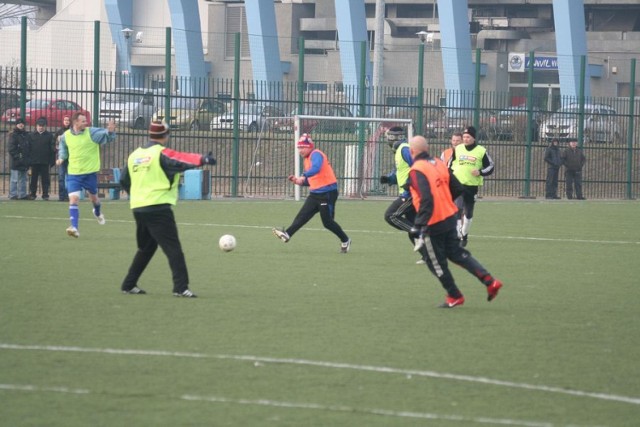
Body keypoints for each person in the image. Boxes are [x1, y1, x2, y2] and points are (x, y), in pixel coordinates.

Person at [119, 121, 217, 297]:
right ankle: (180, 288)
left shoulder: (135, 155)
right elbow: (180, 160)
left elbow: (124, 180)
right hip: (158, 207)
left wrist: (137, 194)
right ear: (166, 135)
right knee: (173, 249)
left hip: (139, 207)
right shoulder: (160, 153)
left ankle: (128, 284)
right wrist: (203, 159)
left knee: (146, 248)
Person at [408, 135, 503, 308]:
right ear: (427, 149)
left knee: (434, 261)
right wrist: (444, 202)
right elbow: (457, 188)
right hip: (450, 217)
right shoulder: (438, 163)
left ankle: (454, 295)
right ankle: (489, 281)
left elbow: (426, 199)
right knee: (456, 253)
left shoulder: (417, 170)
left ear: (412, 151)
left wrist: (419, 225)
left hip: (433, 222)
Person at [272, 133, 351, 253]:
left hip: (327, 193)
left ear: (310, 147)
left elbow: (316, 168)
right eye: (299, 148)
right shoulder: (307, 159)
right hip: (315, 194)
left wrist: (303, 176)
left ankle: (345, 240)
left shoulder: (316, 154)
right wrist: (299, 182)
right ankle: (287, 234)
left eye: (303, 147)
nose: (300, 150)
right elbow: (312, 179)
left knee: (328, 222)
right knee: (302, 216)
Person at [56, 112, 116, 238]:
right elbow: (63, 148)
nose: (86, 123)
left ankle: (97, 212)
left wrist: (110, 132)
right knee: (74, 199)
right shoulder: (65, 136)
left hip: (89, 174)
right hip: (74, 173)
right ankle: (74, 228)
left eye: (85, 120)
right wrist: (61, 158)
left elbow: (107, 136)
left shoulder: (91, 132)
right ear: (75, 122)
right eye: (83, 121)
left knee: (93, 198)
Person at [448, 126, 495, 247]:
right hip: (457, 184)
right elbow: (449, 165)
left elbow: (490, 167)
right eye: (464, 137)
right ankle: (458, 235)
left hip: (472, 186)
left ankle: (464, 234)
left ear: (473, 138)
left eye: (468, 137)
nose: (465, 139)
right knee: (456, 209)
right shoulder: (458, 149)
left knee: (468, 213)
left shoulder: (481, 151)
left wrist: (480, 172)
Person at [380, 126, 422, 261]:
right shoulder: (400, 150)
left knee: (391, 215)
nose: (388, 140)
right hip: (410, 191)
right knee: (413, 226)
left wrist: (411, 184)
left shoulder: (404, 148)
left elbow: (418, 166)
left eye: (389, 137)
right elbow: (401, 171)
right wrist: (390, 179)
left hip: (411, 192)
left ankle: (421, 235)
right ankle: (430, 256)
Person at [441, 131, 464, 238]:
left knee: (459, 208)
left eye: (458, 141)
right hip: (446, 184)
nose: (455, 142)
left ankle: (460, 231)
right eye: (453, 140)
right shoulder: (446, 152)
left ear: (462, 141)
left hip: (460, 184)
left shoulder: (465, 154)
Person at [27, 117, 55, 200]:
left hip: (45, 161)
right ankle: (32, 194)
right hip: (34, 161)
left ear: (45, 126)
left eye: (42, 126)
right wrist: (29, 161)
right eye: (39, 125)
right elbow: (28, 149)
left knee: (45, 179)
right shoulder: (31, 135)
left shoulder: (49, 136)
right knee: (33, 179)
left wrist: (51, 161)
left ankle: (45, 194)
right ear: (36, 126)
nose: (41, 127)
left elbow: (52, 149)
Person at [8, 119, 31, 200]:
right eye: (19, 124)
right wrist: (17, 156)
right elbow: (11, 148)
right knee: (14, 179)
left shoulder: (26, 135)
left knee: (23, 179)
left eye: (22, 123)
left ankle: (22, 194)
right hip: (16, 161)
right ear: (16, 125)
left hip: (24, 160)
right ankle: (13, 194)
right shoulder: (13, 135)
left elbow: (28, 147)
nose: (21, 125)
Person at [54, 115, 71, 201]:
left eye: (68, 120)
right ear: (63, 121)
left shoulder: (72, 131)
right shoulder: (59, 131)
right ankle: (61, 196)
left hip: (71, 158)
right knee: (61, 176)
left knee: (69, 177)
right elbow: (55, 144)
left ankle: (68, 196)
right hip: (61, 157)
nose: (67, 121)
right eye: (65, 120)